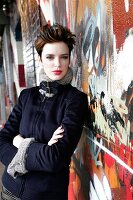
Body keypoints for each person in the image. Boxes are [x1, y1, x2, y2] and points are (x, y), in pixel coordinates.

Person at [0, 23, 88, 200]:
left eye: (64, 57)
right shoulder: (27, 96)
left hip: (45, 195)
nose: (57, 63)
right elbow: (2, 142)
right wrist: (42, 147)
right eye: (50, 57)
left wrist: (20, 142)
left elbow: (54, 159)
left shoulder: (75, 100)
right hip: (8, 190)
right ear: (40, 59)